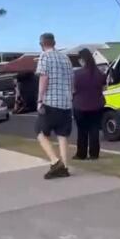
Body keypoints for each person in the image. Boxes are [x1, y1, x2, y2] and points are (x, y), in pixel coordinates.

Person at [35, 33, 74, 179]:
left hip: (51, 102)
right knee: (62, 135)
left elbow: (44, 77)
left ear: (41, 44)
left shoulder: (44, 56)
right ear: (54, 42)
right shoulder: (66, 58)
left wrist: (40, 100)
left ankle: (55, 161)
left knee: (39, 131)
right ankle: (65, 166)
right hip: (66, 103)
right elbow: (72, 80)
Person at [73, 48, 106, 160]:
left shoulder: (77, 74)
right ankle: (94, 154)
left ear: (82, 60)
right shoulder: (99, 73)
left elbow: (73, 90)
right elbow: (104, 87)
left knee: (82, 131)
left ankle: (81, 154)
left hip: (80, 105)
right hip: (97, 105)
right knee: (94, 130)